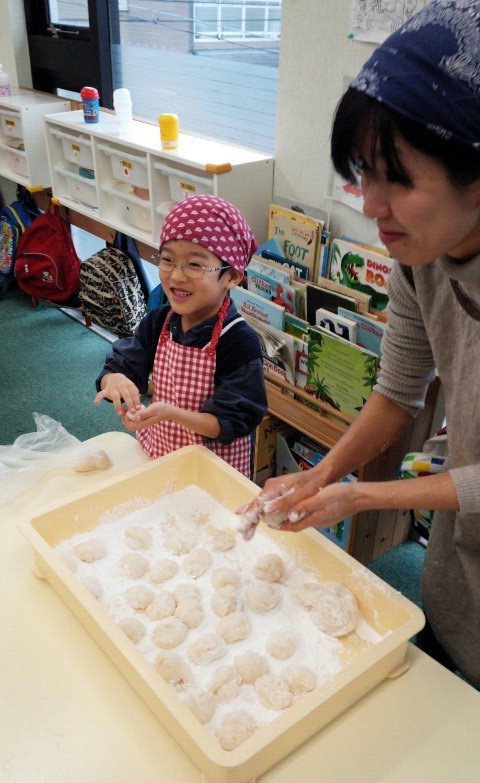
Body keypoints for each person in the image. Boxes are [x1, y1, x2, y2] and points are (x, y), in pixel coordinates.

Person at [238, 0, 480, 689]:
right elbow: (398, 393)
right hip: (463, 558)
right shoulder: (418, 256)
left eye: (395, 179)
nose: (370, 205)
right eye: (362, 172)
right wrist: (325, 474)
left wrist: (363, 498)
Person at [95, 195, 267, 477]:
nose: (176, 276)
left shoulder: (238, 341)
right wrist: (116, 380)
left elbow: (228, 422)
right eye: (167, 260)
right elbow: (124, 362)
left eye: (195, 265)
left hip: (214, 472)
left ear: (232, 277)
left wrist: (171, 414)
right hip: (160, 454)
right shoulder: (158, 321)